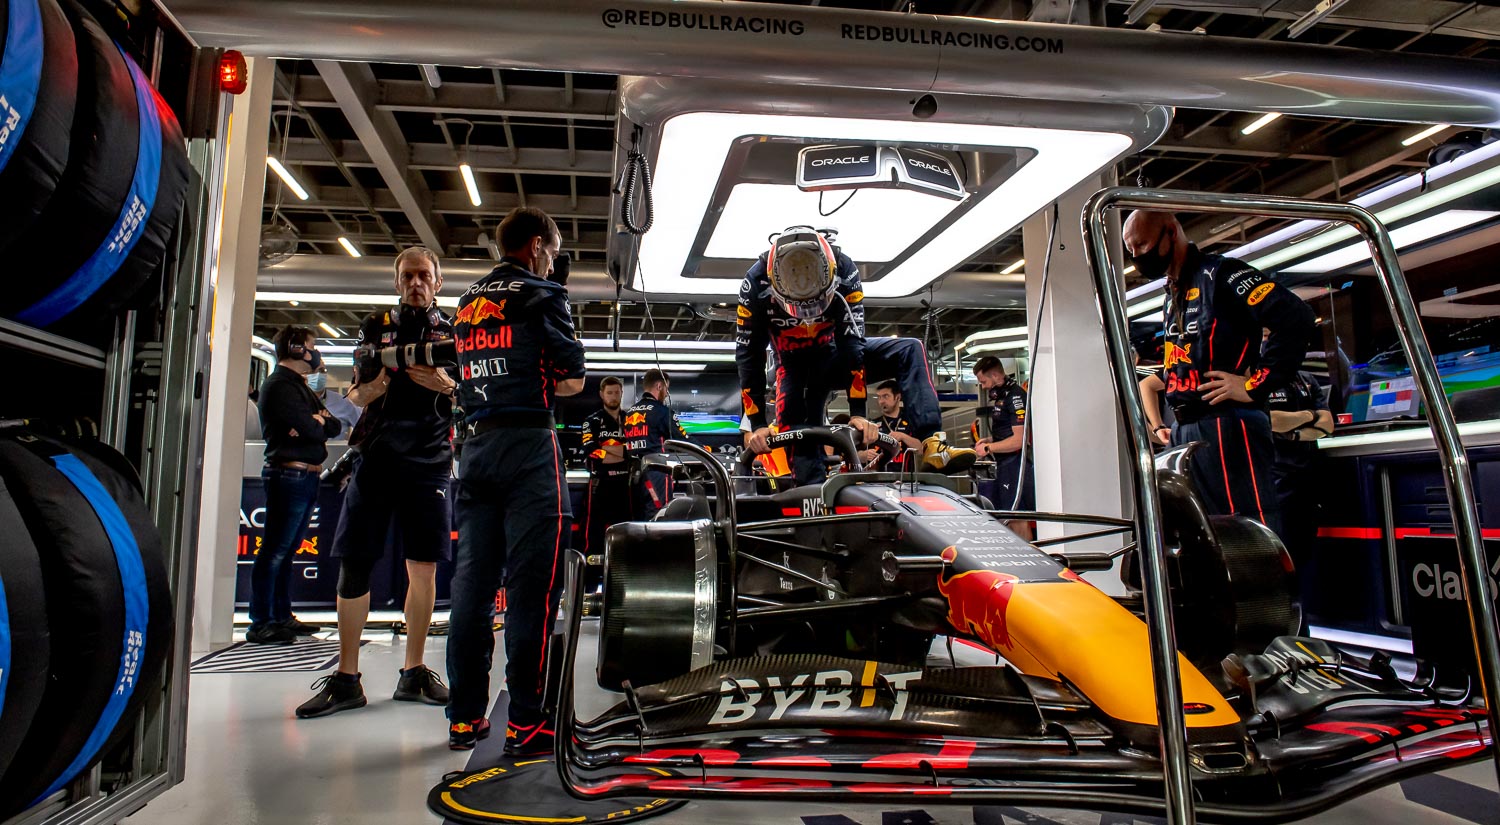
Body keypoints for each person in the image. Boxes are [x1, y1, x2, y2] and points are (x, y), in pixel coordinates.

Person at [445, 207, 586, 754]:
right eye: (550, 251)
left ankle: (463, 718)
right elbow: (572, 377)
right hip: (529, 449)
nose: (553, 261)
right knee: (533, 594)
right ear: (535, 245)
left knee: (472, 593)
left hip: (474, 451)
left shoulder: (463, 303)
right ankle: (528, 722)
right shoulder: (543, 294)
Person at [297, 246, 455, 719]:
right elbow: (354, 391)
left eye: (424, 275)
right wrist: (373, 389)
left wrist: (444, 384)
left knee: (422, 567)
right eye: (408, 276)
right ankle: (347, 678)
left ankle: (414, 671)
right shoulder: (373, 326)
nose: (416, 283)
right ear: (397, 281)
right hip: (376, 456)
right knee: (356, 562)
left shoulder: (455, 332)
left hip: (430, 460)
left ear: (438, 282)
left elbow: (470, 389)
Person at [1129, 210, 1315, 538]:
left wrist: (1255, 384)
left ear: (1170, 232)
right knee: (1206, 538)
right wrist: (1162, 424)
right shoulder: (1174, 292)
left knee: (1246, 536)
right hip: (1187, 429)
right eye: (1131, 250)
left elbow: (1295, 317)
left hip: (1228, 425)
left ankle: (1267, 591)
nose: (1137, 257)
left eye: (1141, 245)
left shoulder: (1223, 274)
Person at [736, 226, 874, 484]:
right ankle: (812, 498)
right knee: (795, 426)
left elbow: (852, 345)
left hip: (833, 357)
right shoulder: (755, 283)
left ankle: (933, 442)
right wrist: (756, 424)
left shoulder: (844, 269)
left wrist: (859, 412)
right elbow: (749, 356)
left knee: (909, 349)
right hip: (792, 365)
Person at [250, 326, 341, 645]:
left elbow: (330, 425)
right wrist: (315, 424)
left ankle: (280, 615)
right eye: (312, 346)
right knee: (275, 550)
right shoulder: (278, 386)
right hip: (288, 475)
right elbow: (312, 428)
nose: (316, 353)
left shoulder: (298, 387)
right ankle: (262, 620)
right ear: (296, 349)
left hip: (303, 475)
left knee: (286, 551)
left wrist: (318, 423)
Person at [1267, 369, 1334, 561]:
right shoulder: (1256, 377)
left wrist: (1293, 434)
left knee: (1304, 554)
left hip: (1307, 479)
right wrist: (1310, 415)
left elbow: (1327, 425)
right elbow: (1271, 420)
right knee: (1280, 554)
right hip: (1274, 479)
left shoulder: (1306, 379)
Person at [972, 357, 1035, 541]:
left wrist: (989, 447)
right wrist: (989, 440)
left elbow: (1018, 440)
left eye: (983, 381)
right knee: (1007, 517)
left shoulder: (1015, 397)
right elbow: (1008, 433)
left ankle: (1029, 560)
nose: (983, 387)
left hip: (1015, 463)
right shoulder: (1003, 396)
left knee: (1017, 518)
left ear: (995, 374)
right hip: (1004, 464)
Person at [623, 368, 689, 520]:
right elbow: (683, 439)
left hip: (634, 475)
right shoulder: (662, 411)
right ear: (659, 386)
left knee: (638, 521)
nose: (667, 393)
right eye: (667, 388)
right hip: (656, 473)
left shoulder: (630, 413)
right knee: (659, 519)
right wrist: (708, 450)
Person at [582, 376, 630, 585]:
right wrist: (621, 452)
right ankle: (591, 581)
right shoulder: (591, 421)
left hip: (626, 486)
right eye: (609, 392)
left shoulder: (631, 420)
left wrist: (609, 449)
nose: (613, 396)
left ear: (622, 393)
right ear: (602, 394)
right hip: (600, 485)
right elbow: (591, 451)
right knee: (594, 535)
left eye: (616, 392)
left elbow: (635, 450)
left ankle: (622, 579)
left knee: (627, 532)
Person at [871, 379, 922, 471]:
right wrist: (863, 454)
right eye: (879, 397)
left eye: (886, 396)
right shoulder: (873, 424)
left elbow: (921, 449)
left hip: (905, 479)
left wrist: (902, 436)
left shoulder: (911, 421)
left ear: (898, 397)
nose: (881, 401)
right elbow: (858, 453)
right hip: (879, 481)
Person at [309, 363, 361, 435]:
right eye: (312, 371)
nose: (317, 375)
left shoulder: (344, 403)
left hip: (334, 445)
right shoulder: (293, 401)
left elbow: (365, 431)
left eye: (322, 370)